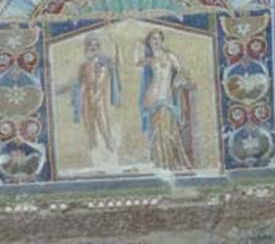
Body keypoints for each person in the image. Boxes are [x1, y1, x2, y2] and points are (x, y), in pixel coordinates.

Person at [135, 29, 194, 170]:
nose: (155, 42)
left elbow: (181, 72)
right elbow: (137, 62)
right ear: (149, 42)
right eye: (152, 39)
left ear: (162, 40)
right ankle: (161, 162)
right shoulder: (150, 60)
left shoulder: (170, 57)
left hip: (166, 96)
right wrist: (138, 45)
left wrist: (178, 83)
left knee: (168, 129)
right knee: (157, 131)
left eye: (158, 39)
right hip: (152, 96)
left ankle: (170, 162)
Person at [68, 34, 121, 155]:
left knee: (102, 120)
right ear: (86, 48)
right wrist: (75, 95)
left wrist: (116, 46)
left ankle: (108, 142)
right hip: (86, 94)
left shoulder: (104, 63)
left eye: (95, 46)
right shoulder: (83, 66)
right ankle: (92, 144)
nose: (93, 48)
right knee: (88, 120)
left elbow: (115, 64)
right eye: (90, 46)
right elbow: (79, 82)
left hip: (98, 94)